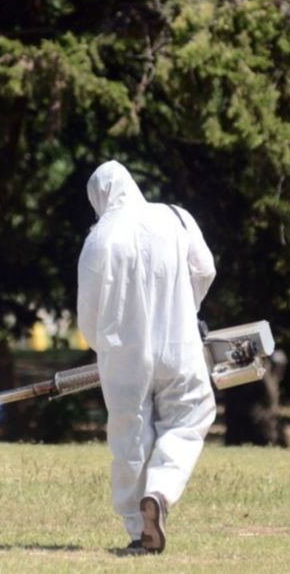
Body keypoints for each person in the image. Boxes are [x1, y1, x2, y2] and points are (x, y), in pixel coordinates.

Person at [76, 160, 217, 555]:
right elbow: (204, 269)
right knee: (190, 417)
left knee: (130, 437)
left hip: (125, 355)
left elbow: (88, 312)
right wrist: (186, 311)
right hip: (180, 345)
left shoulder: (99, 237)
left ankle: (140, 530)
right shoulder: (175, 217)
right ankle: (160, 491)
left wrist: (103, 346)